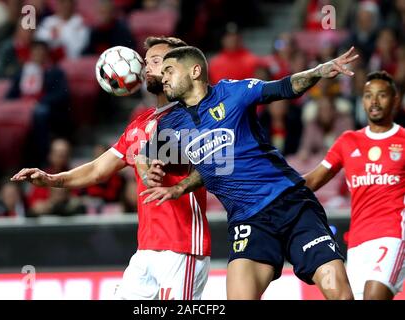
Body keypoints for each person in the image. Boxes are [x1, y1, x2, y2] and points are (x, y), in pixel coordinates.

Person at [140, 45, 359, 299]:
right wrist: (155, 176)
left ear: (195, 71)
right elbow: (148, 157)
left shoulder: (232, 92)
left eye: (169, 70)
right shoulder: (171, 124)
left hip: (291, 204)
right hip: (247, 222)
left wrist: (318, 71)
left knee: (340, 295)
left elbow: (285, 87)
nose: (163, 77)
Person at [10, 37, 211, 300]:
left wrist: (148, 164)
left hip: (182, 245)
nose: (145, 66)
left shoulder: (196, 115)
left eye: (155, 61)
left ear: (177, 68)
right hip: (147, 249)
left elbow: (207, 163)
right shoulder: (141, 122)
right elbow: (97, 170)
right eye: (145, 60)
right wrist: (52, 179)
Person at [303, 71, 405, 300]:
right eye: (368, 95)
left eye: (382, 95)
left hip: (393, 235)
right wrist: (271, 187)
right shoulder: (348, 141)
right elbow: (313, 181)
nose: (374, 101)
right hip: (358, 244)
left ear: (395, 100)